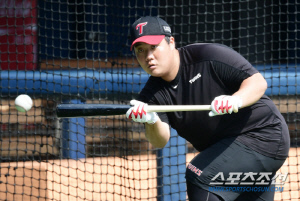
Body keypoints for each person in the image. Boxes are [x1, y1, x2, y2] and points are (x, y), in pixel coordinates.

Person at [126, 16, 290, 201]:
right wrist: (152, 120)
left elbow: (257, 82)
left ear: (171, 42)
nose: (148, 56)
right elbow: (160, 141)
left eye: (154, 47)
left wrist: (235, 100)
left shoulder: (207, 55)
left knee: (199, 176)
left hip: (264, 135)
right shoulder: (150, 95)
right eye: (141, 50)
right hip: (230, 155)